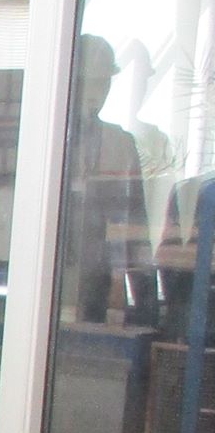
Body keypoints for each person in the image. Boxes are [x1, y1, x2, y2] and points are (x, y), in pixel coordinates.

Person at [62, 34, 151, 323]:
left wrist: (146, 306)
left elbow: (137, 226)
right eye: (90, 82)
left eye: (103, 83)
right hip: (48, 276)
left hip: (97, 282)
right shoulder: (45, 142)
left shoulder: (121, 144)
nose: (96, 93)